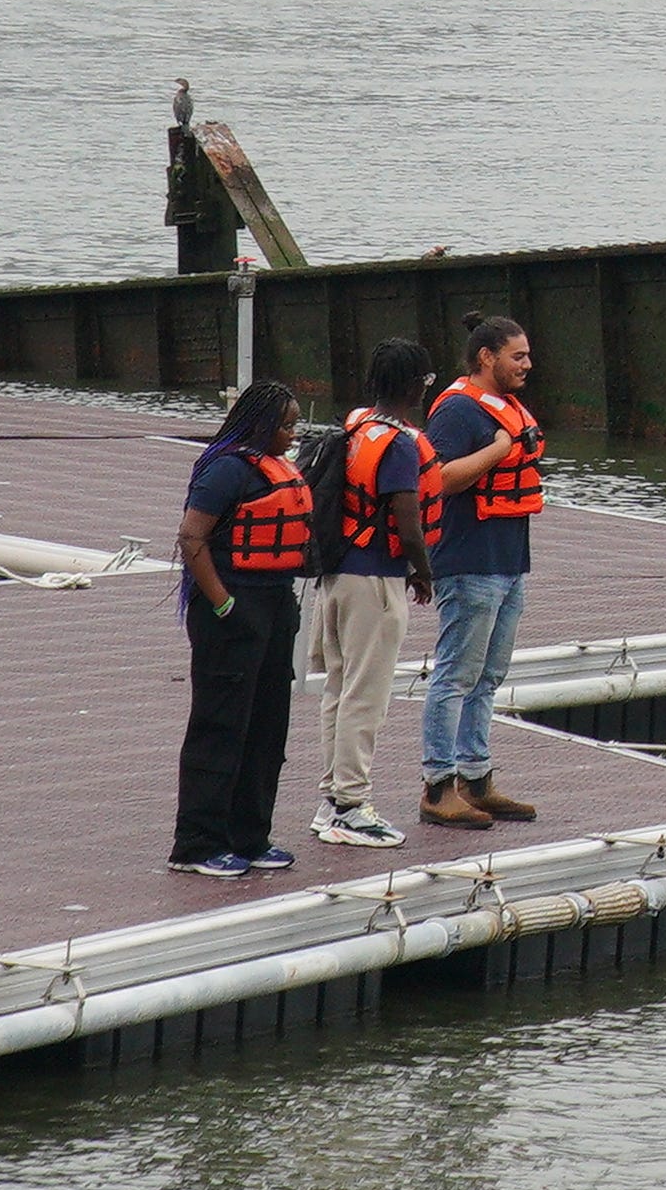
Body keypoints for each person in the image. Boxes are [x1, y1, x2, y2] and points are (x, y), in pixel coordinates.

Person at [168, 378, 311, 879]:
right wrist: (224, 604)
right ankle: (198, 843)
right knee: (221, 724)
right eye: (287, 425)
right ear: (262, 425)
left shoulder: (279, 469)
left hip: (275, 603)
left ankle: (250, 834)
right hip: (231, 605)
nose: (294, 433)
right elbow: (191, 536)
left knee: (268, 724)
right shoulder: (227, 470)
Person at [303, 339, 439, 851]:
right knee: (367, 697)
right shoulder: (400, 444)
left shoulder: (358, 424)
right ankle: (352, 806)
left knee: (340, 691)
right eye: (425, 383)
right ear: (412, 385)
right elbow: (407, 521)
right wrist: (424, 572)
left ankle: (333, 799)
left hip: (337, 576)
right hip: (375, 582)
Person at [415, 315, 542, 831]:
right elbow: (439, 479)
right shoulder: (457, 410)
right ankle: (437, 786)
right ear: (486, 357)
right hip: (468, 564)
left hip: (509, 561)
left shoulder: (506, 407)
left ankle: (476, 777)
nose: (527, 364)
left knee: (489, 677)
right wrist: (495, 450)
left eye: (527, 355)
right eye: (518, 356)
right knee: (455, 675)